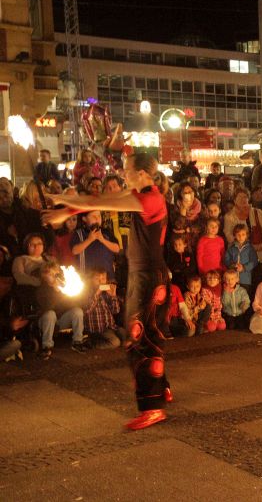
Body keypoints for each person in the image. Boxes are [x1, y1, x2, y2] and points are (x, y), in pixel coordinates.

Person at [44, 152, 173, 430]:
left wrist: (66, 202)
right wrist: (68, 210)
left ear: (141, 173)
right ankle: (160, 389)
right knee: (146, 336)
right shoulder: (142, 195)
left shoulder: (149, 199)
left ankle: (152, 407)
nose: (123, 174)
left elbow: (100, 202)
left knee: (139, 340)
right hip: (144, 275)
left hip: (149, 278)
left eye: (127, 170)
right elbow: (104, 200)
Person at [36, 262, 88, 359]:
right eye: (51, 274)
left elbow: (73, 305)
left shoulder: (64, 287)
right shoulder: (42, 289)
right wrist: (55, 292)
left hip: (61, 320)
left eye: (56, 274)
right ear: (44, 276)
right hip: (46, 321)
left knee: (77, 311)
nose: (54, 277)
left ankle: (77, 342)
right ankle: (46, 346)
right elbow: (47, 307)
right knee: (50, 314)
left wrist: (68, 293)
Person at [223, 189, 262, 263]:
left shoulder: (257, 212)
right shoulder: (229, 216)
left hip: (259, 253)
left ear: (248, 199)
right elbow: (229, 236)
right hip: (240, 255)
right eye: (240, 197)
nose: (242, 199)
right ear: (235, 200)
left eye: (245, 197)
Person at [71, 210, 120, 281]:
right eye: (94, 216)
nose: (97, 219)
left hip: (107, 278)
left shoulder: (106, 232)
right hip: (87, 279)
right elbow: (74, 251)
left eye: (99, 216)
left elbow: (117, 249)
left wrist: (103, 240)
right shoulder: (79, 234)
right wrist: (89, 240)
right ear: (84, 218)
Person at [84, 269, 125, 349]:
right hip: (98, 329)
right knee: (115, 342)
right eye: (97, 279)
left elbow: (115, 311)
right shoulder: (87, 292)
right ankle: (91, 343)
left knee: (128, 337)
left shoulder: (107, 293)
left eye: (103, 279)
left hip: (111, 326)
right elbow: (87, 310)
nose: (100, 281)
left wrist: (113, 296)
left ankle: (110, 339)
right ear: (91, 280)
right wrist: (97, 293)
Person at [224, 224, 258, 295]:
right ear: (234, 235)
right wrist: (232, 265)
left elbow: (254, 262)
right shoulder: (231, 248)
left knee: (244, 297)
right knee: (234, 296)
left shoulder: (250, 248)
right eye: (238, 235)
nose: (241, 237)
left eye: (243, 234)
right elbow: (226, 259)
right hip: (232, 280)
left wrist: (244, 267)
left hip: (245, 279)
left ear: (247, 235)